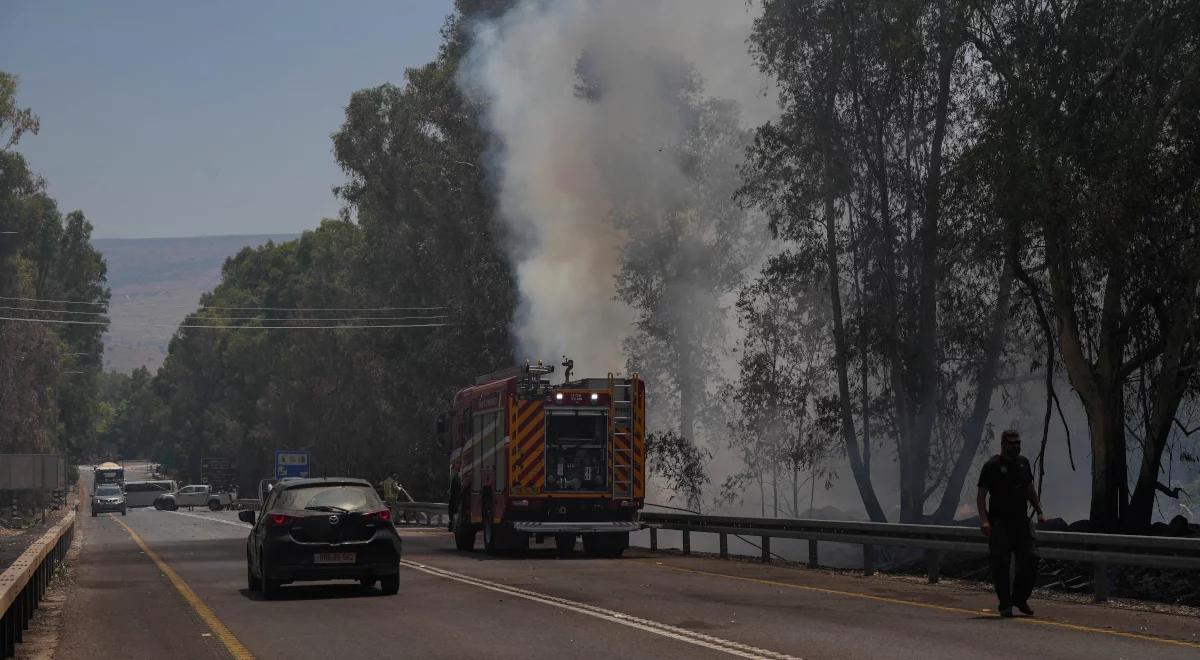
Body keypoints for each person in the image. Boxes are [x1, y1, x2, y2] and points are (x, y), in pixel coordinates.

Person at [977, 430, 1046, 617]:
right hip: (1000, 523)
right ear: (1003, 444)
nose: (1016, 446)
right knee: (1000, 564)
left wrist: (1039, 510)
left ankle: (1020, 598)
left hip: (1021, 522)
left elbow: (1029, 489)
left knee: (1031, 558)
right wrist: (984, 520)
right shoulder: (991, 466)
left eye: (1018, 443)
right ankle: (1005, 604)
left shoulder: (1023, 463)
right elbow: (981, 496)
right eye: (1012, 443)